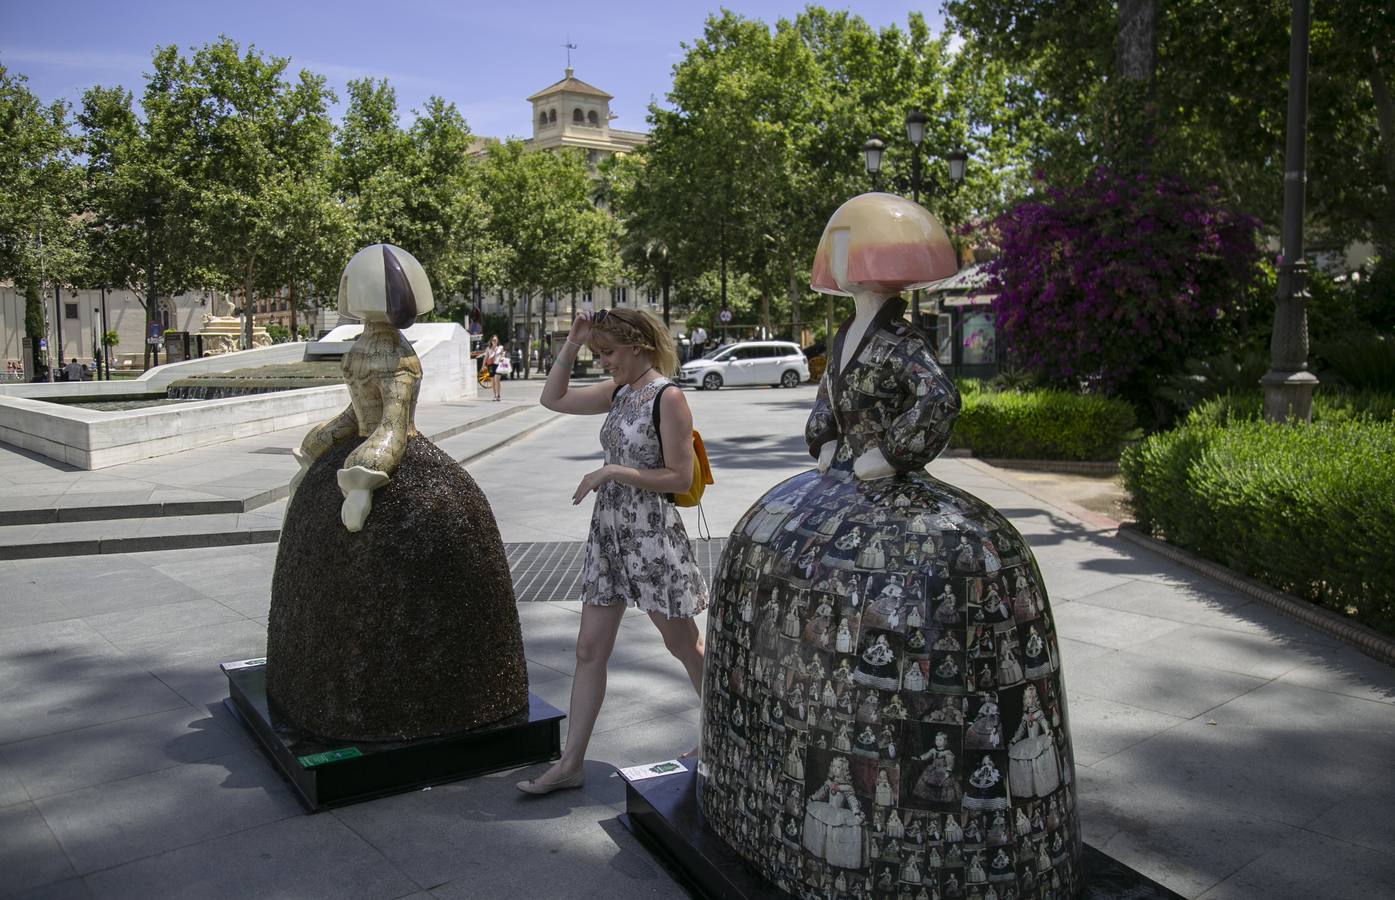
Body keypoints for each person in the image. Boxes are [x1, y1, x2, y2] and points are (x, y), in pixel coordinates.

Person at [517, 307, 708, 794]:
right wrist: (573, 341)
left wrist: (612, 471)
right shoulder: (620, 392)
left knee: (683, 645)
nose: (602, 362)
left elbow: (681, 478)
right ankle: (571, 763)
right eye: (597, 353)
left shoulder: (668, 397)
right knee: (588, 649)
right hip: (609, 535)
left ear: (638, 346)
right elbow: (552, 397)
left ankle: (722, 731)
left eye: (608, 353)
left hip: (651, 535)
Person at [481, 335, 505, 401]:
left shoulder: (500, 348)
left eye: (496, 340)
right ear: (491, 341)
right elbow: (486, 357)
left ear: (497, 341)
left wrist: (502, 358)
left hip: (498, 365)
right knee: (493, 381)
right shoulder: (488, 349)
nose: (494, 341)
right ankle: (495, 395)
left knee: (497, 380)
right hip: (491, 365)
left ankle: (499, 395)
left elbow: (503, 355)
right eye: (493, 340)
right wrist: (483, 365)